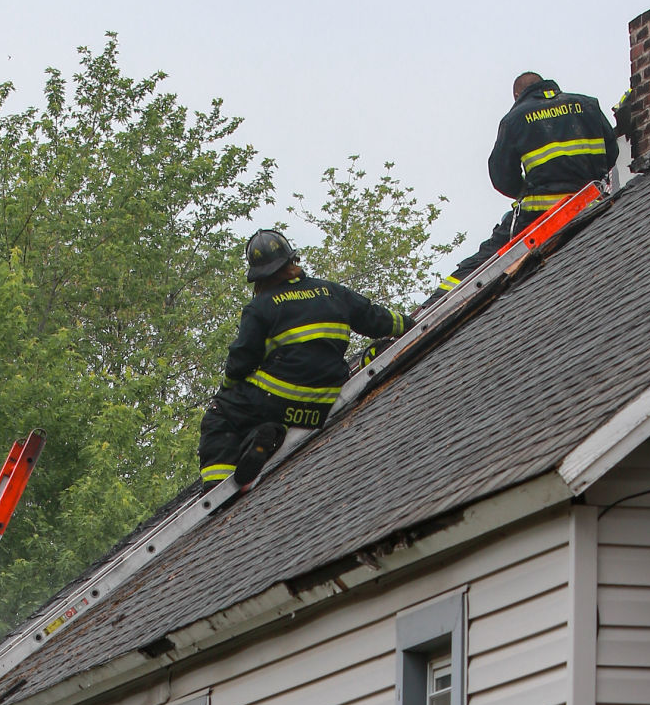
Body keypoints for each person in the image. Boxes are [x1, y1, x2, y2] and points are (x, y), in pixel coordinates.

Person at [199, 229, 409, 489]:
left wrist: (228, 391)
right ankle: (265, 435)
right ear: (291, 262)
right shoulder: (331, 292)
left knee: (221, 415)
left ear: (259, 277)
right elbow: (377, 319)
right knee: (256, 411)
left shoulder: (260, 307)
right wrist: (412, 323)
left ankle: (217, 491)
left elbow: (241, 361)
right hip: (324, 400)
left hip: (280, 400)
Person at [431, 72, 618, 299]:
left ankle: (436, 302)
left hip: (540, 213)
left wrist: (525, 192)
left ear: (517, 95)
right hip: (592, 202)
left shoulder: (515, 118)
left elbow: (501, 176)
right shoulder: (587, 105)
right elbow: (612, 151)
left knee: (485, 259)